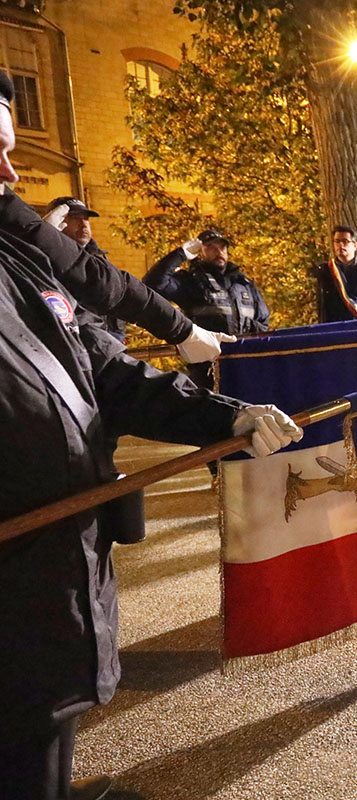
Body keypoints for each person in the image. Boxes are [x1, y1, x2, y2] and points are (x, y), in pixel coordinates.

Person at [0, 69, 304, 800]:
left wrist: (224, 415)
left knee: (42, 740)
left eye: (9, 150)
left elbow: (106, 371)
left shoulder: (20, 255)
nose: (10, 172)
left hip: (53, 582)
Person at [144, 229, 271, 390]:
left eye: (222, 248)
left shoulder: (244, 284)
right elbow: (152, 284)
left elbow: (264, 321)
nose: (218, 252)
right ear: (199, 252)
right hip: (206, 369)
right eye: (211, 247)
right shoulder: (191, 282)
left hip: (245, 365)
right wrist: (181, 254)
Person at [43, 196, 126, 343]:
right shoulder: (46, 258)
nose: (83, 225)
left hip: (108, 345)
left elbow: (116, 303)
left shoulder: (99, 260)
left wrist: (116, 337)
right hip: (74, 343)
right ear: (58, 221)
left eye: (86, 219)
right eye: (75, 218)